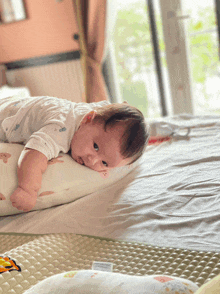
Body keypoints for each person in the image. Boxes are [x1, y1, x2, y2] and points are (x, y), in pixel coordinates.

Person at [0, 96, 148, 212]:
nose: (92, 160)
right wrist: (27, 190)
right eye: (95, 146)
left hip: (15, 104)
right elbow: (33, 155)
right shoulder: (61, 129)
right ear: (88, 118)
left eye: (104, 163)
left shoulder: (96, 118)